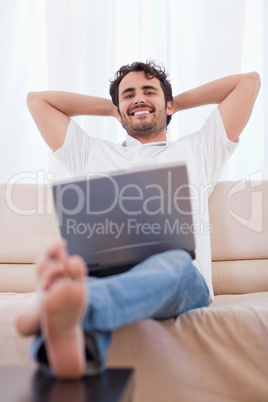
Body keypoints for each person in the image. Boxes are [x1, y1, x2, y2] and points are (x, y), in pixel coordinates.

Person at [16, 61, 260, 379]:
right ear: (119, 109)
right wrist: (116, 107)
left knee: (175, 263)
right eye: (128, 94)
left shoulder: (200, 148)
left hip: (178, 275)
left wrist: (169, 104)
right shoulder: (90, 152)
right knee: (86, 279)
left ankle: (69, 310)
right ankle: (73, 348)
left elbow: (248, 82)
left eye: (149, 91)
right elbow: (38, 101)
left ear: (168, 103)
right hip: (108, 273)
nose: (139, 99)